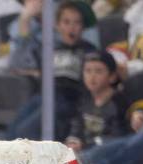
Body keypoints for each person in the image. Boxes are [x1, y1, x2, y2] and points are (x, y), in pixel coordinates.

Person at [8, 0, 98, 139]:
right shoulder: (50, 48)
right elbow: (19, 62)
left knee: (25, 131)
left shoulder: (89, 51)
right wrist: (25, 20)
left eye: (77, 23)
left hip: (69, 100)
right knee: (13, 128)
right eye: (66, 22)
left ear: (83, 27)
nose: (71, 28)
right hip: (43, 96)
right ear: (57, 25)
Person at [65, 51, 128, 153]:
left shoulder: (119, 103)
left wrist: (86, 145)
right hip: (85, 153)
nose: (92, 76)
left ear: (112, 77)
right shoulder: (84, 100)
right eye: (88, 71)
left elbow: (117, 138)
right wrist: (73, 140)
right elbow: (77, 125)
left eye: (98, 71)